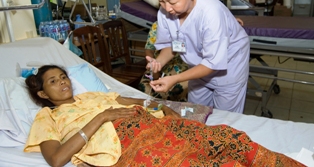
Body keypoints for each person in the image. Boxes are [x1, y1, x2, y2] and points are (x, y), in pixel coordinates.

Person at [23, 65, 305, 167]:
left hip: (155, 125)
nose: (63, 82)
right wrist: (102, 118)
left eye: (63, 76)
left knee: (230, 138)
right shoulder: (47, 117)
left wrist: (160, 107)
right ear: (44, 94)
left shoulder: (92, 96)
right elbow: (57, 159)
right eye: (53, 81)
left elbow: (137, 101)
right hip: (126, 144)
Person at [147, 0, 250, 113]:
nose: (167, 8)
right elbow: (173, 45)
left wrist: (175, 78)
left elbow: (211, 64)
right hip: (198, 67)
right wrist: (158, 62)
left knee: (225, 119)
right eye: (161, 1)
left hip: (230, 65)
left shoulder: (211, 13)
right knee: (195, 112)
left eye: (172, 2)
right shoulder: (164, 13)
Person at [138, 21, 189, 102]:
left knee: (178, 89)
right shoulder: (158, 24)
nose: (168, 9)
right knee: (146, 87)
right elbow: (170, 48)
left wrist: (175, 78)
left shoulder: (190, 24)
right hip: (163, 67)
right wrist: (155, 65)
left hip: (182, 69)